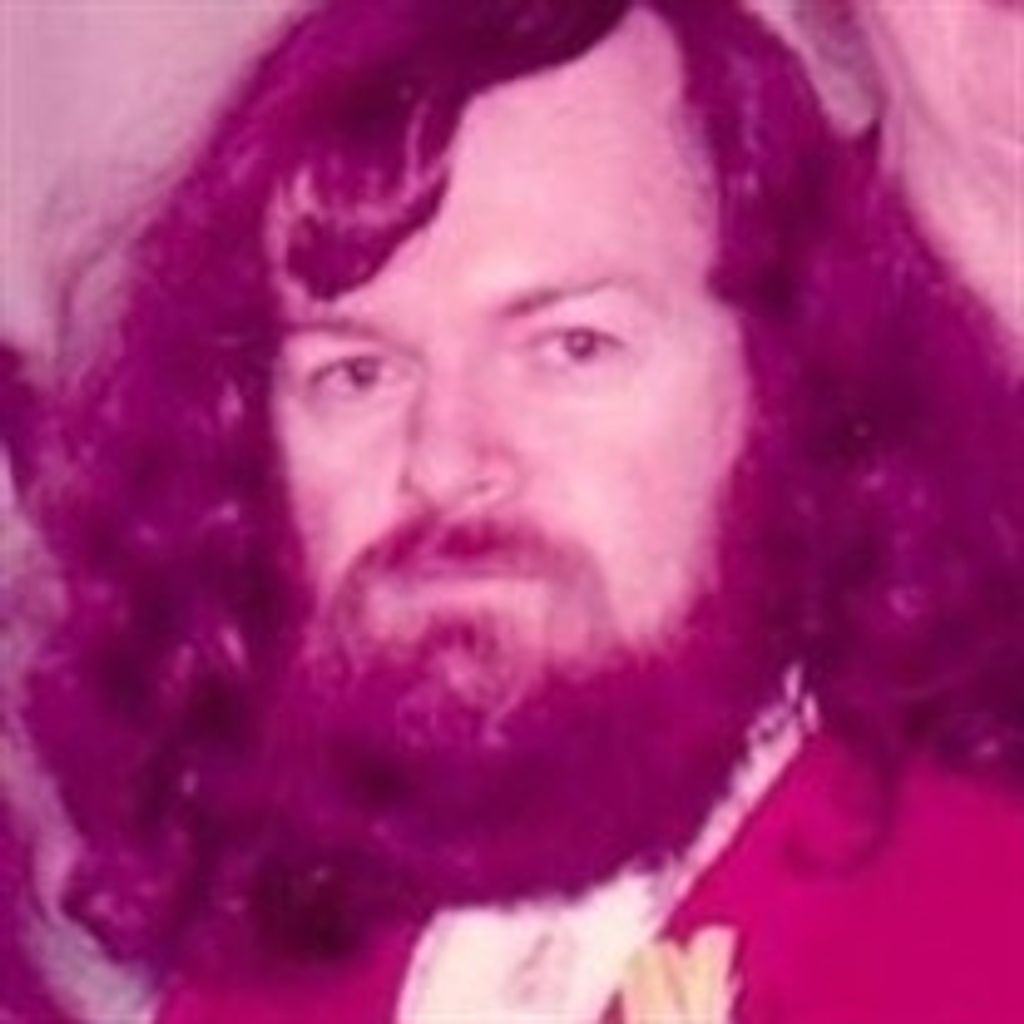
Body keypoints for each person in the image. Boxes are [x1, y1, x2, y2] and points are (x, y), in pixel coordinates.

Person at [20, 0, 1024, 1021]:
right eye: (358, 372)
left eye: (571, 349)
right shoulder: (249, 982)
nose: (446, 461)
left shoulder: (983, 933)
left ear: (784, 397)